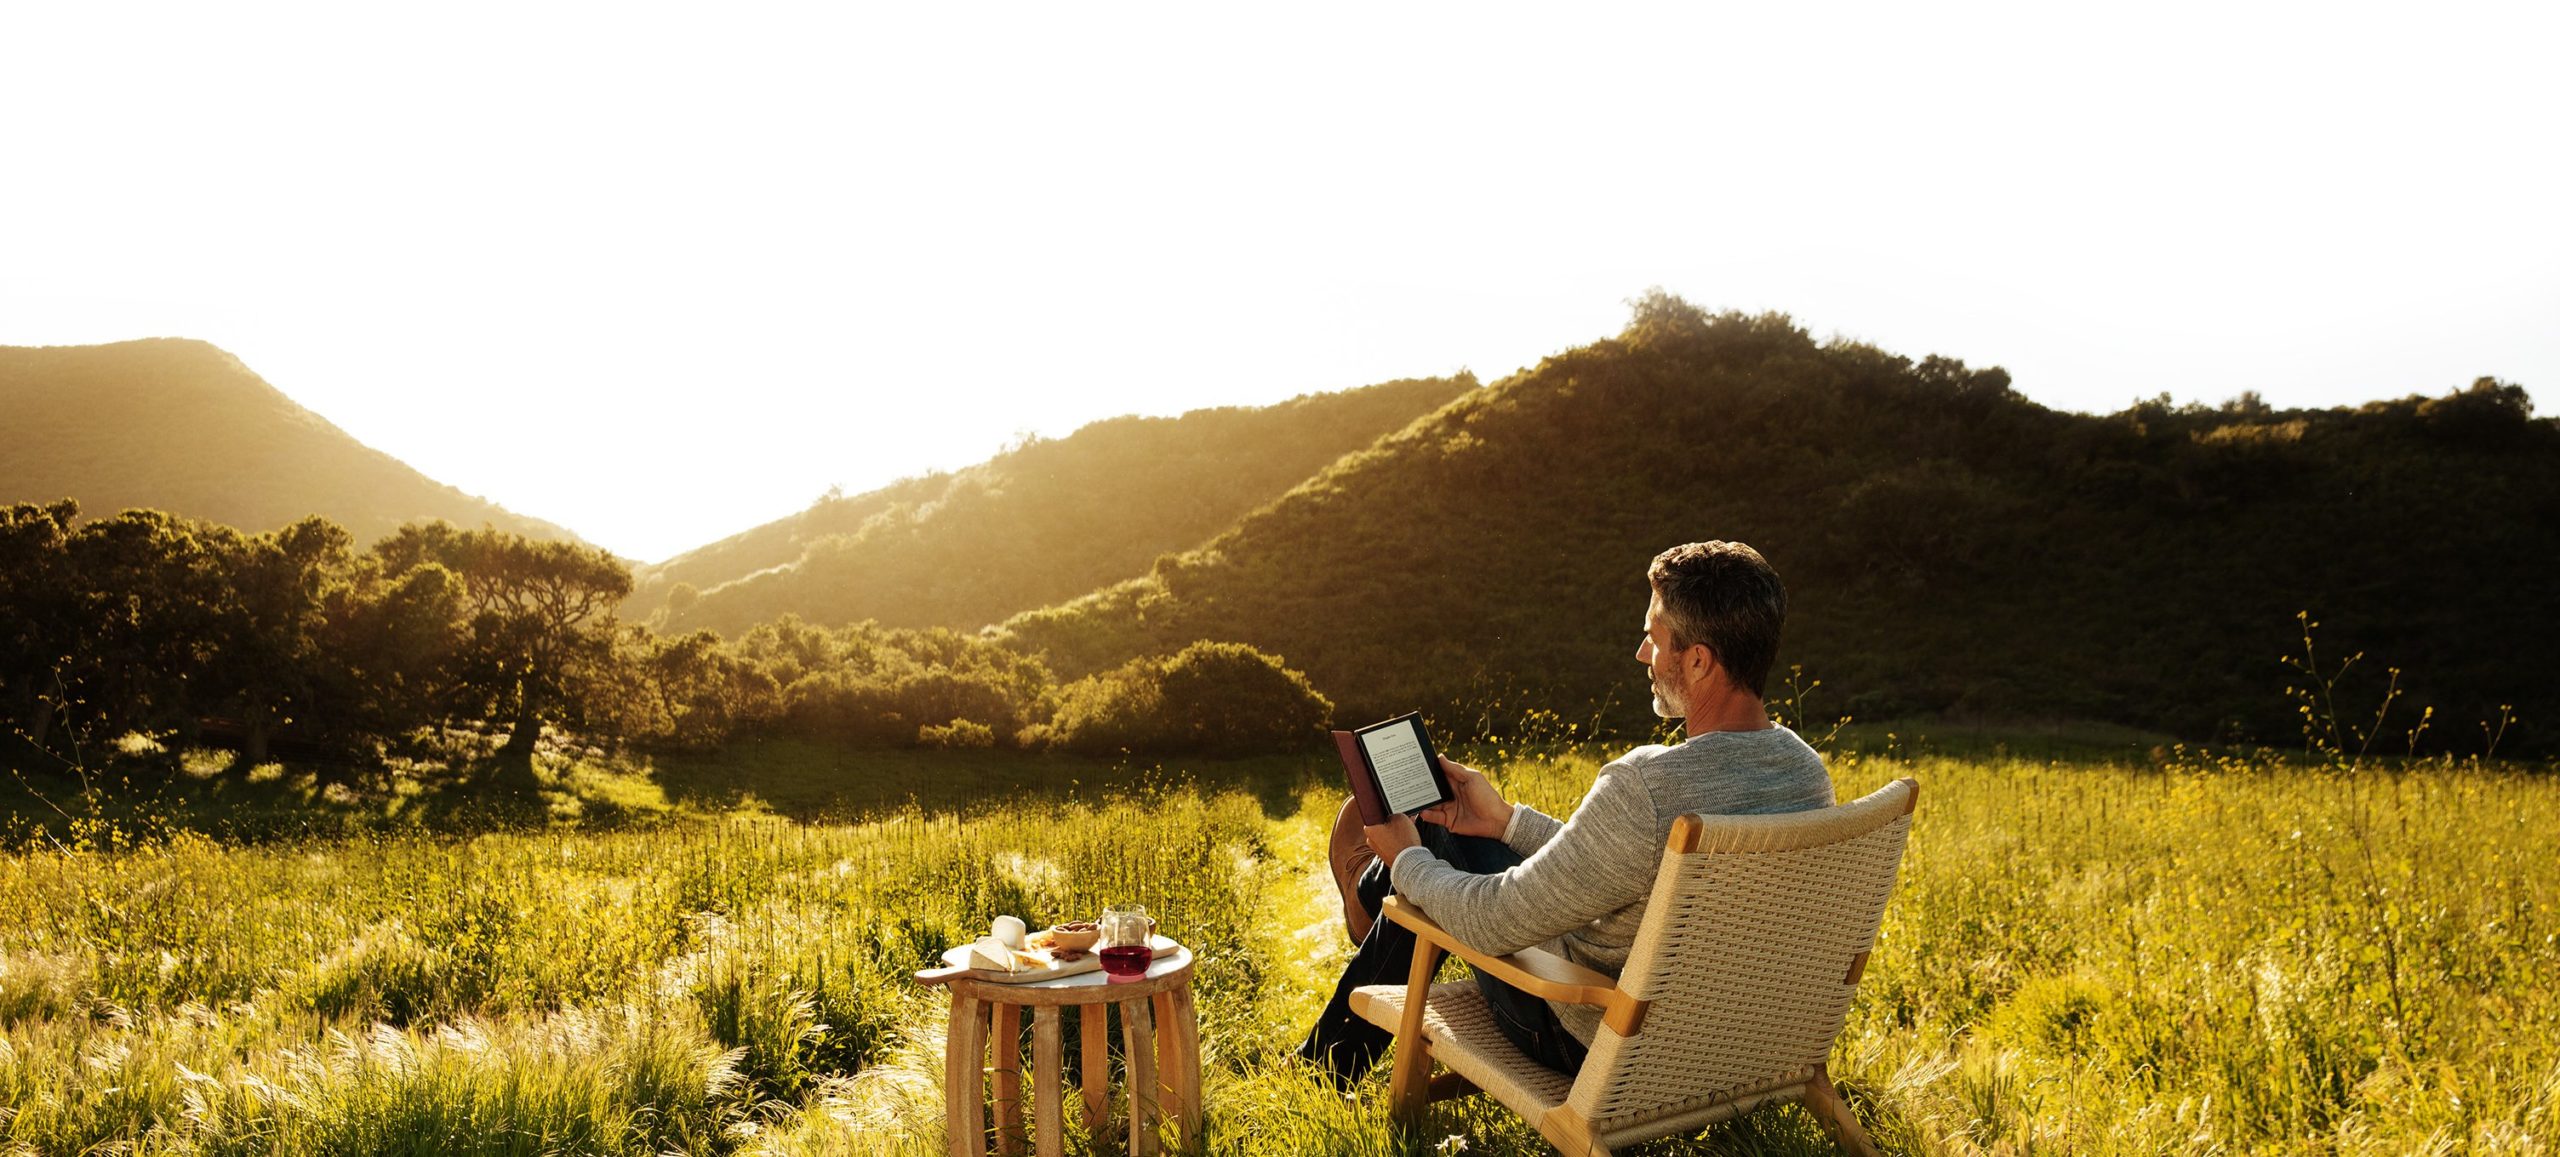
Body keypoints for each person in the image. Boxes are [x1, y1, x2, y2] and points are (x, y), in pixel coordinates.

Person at [1300, 541, 1836, 1081]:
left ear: (1698, 660)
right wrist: (1507, 821)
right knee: (1456, 836)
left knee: (1431, 843)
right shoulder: (1806, 773)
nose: (1642, 654)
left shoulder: (1647, 787)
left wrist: (1408, 860)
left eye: (1653, 636)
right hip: (1729, 1045)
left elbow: (1491, 923)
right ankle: (1374, 898)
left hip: (1594, 1042)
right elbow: (1637, 866)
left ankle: (1330, 1044)